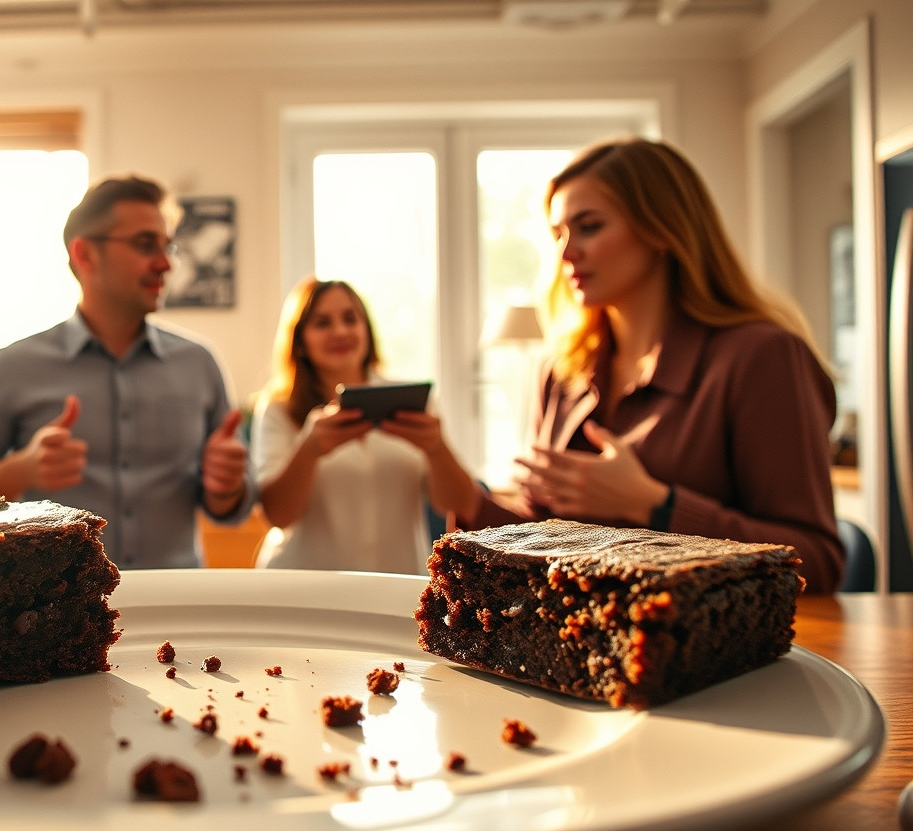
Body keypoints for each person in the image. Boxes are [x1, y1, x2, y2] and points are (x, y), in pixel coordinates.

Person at [456, 137, 844, 593]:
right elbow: (542, 539)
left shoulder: (761, 357)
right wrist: (447, 475)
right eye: (559, 233)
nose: (565, 255)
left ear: (662, 228)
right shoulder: (563, 370)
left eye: (589, 227)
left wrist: (656, 506)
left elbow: (816, 562)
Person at [0, 175, 254, 569]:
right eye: (146, 244)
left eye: (168, 247)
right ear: (84, 255)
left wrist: (226, 487)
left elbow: (232, 507)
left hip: (179, 606)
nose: (166, 263)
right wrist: (19, 471)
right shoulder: (14, 367)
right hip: (58, 616)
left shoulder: (199, 363)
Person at [251, 277, 478, 574]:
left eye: (350, 319)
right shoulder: (279, 409)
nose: (340, 331)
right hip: (302, 584)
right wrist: (308, 450)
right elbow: (277, 515)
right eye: (322, 323)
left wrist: (437, 449)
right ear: (300, 341)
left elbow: (459, 504)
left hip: (396, 583)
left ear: (366, 330)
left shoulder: (417, 402)